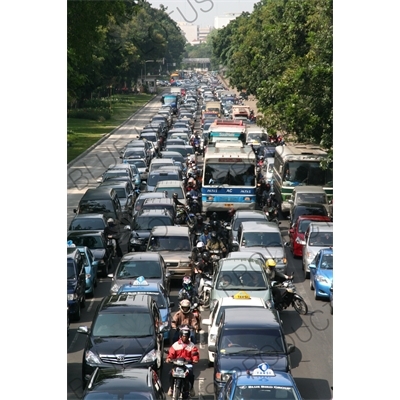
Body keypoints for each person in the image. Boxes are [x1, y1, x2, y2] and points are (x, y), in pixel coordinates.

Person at [166, 325, 199, 398]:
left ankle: (191, 388)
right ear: (180, 336)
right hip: (177, 364)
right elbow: (171, 353)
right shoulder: (175, 345)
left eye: (186, 336)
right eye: (183, 336)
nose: (185, 337)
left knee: (191, 375)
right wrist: (169, 359)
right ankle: (171, 388)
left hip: (187, 364)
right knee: (170, 374)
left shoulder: (192, 346)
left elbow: (195, 354)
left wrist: (195, 359)